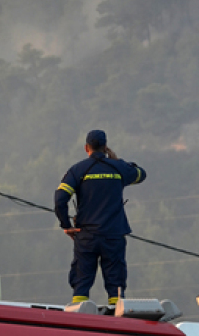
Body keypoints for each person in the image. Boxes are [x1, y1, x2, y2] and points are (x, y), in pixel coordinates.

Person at [54, 129, 146, 310]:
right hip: (114, 235)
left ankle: (79, 318)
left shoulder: (78, 170)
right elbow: (141, 174)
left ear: (86, 148)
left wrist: (66, 225)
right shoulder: (118, 167)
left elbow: (59, 199)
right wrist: (118, 160)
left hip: (86, 236)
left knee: (81, 282)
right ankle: (117, 320)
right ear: (105, 147)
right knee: (116, 284)